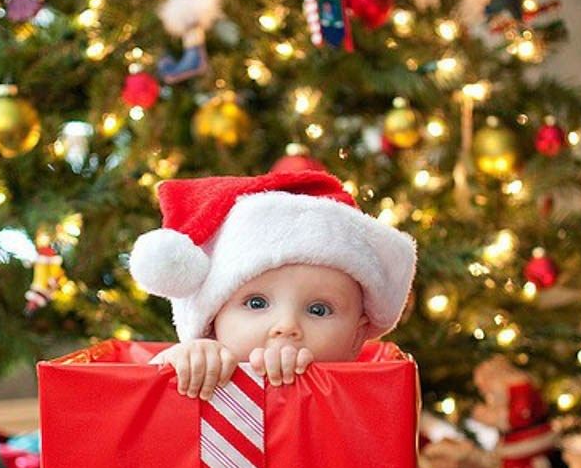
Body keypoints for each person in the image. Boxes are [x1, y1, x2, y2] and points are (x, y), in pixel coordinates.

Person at [129, 165, 416, 400]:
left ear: (357, 336)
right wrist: (186, 359)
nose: (286, 326)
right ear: (211, 321)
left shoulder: (362, 395)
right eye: (256, 303)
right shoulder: (203, 361)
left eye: (319, 309)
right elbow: (142, 407)